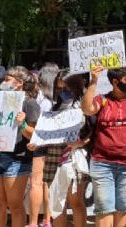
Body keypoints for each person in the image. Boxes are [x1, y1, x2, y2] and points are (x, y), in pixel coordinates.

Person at [83, 65, 126, 227]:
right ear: (115, 82)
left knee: (124, 207)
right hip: (102, 163)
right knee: (104, 208)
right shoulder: (102, 99)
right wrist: (93, 81)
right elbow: (87, 109)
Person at [0, 66, 41, 227]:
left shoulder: (30, 104)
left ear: (19, 83)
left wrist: (22, 124)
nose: (3, 82)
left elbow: (34, 136)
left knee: (15, 205)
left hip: (16, 160)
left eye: (7, 79)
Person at [47, 71, 89, 227]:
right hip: (54, 159)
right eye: (59, 89)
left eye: (66, 88)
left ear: (75, 87)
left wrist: (82, 142)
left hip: (74, 158)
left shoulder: (84, 106)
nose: (62, 92)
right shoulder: (53, 107)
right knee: (57, 203)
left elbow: (93, 131)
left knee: (75, 200)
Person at [29, 63, 59, 227]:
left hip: (40, 144)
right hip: (52, 144)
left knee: (38, 183)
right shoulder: (55, 99)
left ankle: (37, 221)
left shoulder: (43, 100)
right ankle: (47, 219)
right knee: (47, 183)